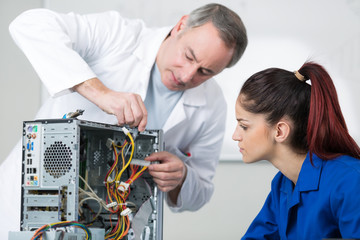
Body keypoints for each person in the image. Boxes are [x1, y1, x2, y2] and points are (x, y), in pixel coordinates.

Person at [0, 3, 248, 237]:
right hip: (33, 205)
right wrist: (99, 93)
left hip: (115, 226)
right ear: (180, 25)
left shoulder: (212, 103)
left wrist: (181, 177)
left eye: (206, 72)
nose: (186, 76)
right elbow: (29, 24)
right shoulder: (119, 35)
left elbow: (201, 190)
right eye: (189, 56)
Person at [232, 61, 360, 239]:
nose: (235, 136)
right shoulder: (282, 184)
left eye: (244, 126)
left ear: (280, 131)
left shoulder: (351, 181)